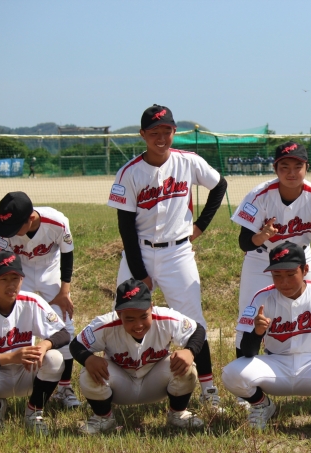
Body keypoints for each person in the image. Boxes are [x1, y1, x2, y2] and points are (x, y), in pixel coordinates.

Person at [107, 104, 228, 409]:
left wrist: (200, 226)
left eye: (167, 131)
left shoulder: (188, 161)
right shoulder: (129, 172)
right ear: (142, 134)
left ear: (174, 131)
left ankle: (208, 388)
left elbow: (220, 185)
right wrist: (140, 272)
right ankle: (114, 385)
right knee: (122, 316)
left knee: (193, 320)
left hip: (178, 253)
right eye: (154, 132)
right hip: (139, 250)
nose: (161, 138)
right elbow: (125, 226)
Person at [221, 242, 311, 430]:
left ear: (305, 270)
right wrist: (257, 333)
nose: (284, 282)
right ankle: (262, 405)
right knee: (231, 373)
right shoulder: (262, 298)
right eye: (277, 275)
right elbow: (247, 352)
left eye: (290, 274)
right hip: (275, 366)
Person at [231, 141, 311, 358]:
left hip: (300, 260)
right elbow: (244, 242)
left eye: (297, 167)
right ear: (275, 169)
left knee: (310, 313)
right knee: (250, 315)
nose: (291, 173)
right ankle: (244, 375)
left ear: (307, 167)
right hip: (261, 259)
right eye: (284, 167)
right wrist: (262, 236)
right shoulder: (259, 195)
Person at [71, 279, 205, 434]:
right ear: (119, 314)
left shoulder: (165, 318)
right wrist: (88, 358)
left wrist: (190, 351)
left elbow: (198, 330)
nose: (138, 324)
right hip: (119, 385)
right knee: (89, 372)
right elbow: (76, 344)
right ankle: (103, 418)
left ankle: (178, 414)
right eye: (130, 319)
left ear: (151, 307)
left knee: (186, 365)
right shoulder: (105, 324)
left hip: (156, 383)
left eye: (143, 316)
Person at [0, 191, 81, 408]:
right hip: (17, 275)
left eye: (13, 227)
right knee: (13, 322)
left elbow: (67, 254)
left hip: (50, 271)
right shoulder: (3, 232)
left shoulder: (56, 221)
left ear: (30, 219)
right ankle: (5, 377)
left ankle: (64, 387)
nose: (8, 232)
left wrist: (64, 291)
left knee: (65, 324)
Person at [0, 252, 70, 434]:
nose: (11, 285)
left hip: (26, 373)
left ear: (22, 279)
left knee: (55, 358)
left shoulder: (31, 301)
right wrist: (11, 357)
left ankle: (34, 412)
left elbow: (64, 333)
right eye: (3, 279)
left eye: (15, 278)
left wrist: (44, 345)